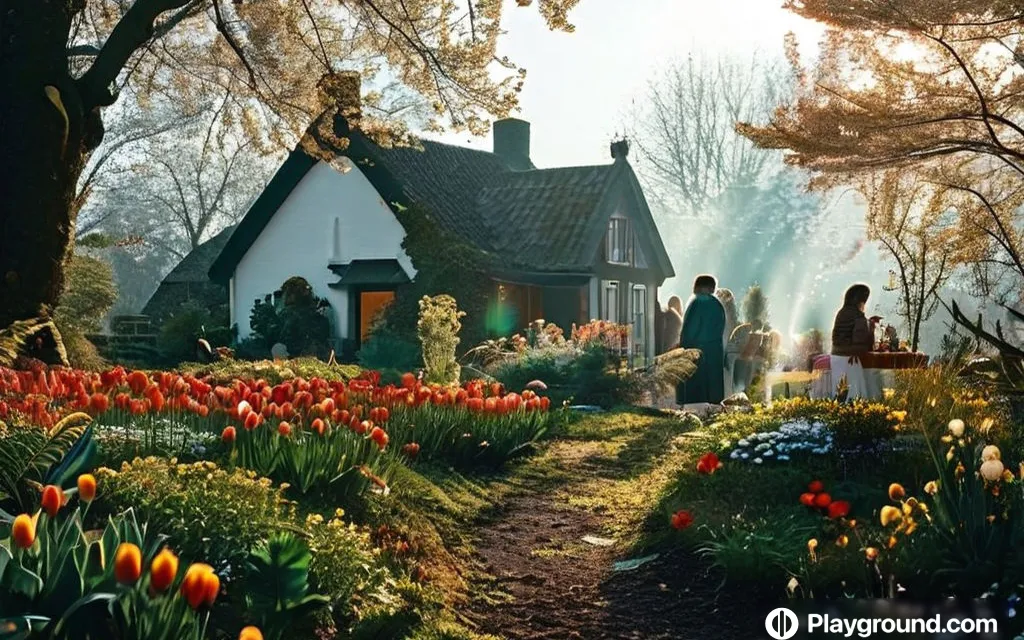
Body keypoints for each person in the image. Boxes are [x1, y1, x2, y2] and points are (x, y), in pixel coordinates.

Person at [676, 275, 726, 405]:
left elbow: (690, 329)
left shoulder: (697, 302)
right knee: (711, 389)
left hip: (696, 350)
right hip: (714, 352)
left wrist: (682, 346)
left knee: (695, 390)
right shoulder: (717, 304)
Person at [829, 284, 879, 400]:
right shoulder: (858, 316)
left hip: (836, 356)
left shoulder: (841, 313)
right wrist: (871, 327)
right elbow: (863, 346)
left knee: (839, 393)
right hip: (850, 359)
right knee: (854, 394)